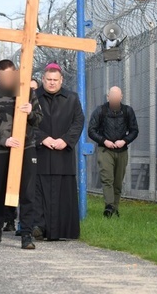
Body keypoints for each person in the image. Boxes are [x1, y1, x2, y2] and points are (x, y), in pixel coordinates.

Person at [0, 59, 43, 249]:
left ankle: (26, 234)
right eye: (2, 77)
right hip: (2, 149)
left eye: (10, 76)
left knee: (27, 192)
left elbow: (39, 119)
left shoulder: (27, 91)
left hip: (26, 147)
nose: (6, 80)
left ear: (16, 73)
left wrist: (30, 111)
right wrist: (3, 139)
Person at [32, 63, 84, 241]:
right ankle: (40, 227)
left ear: (61, 80)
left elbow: (78, 122)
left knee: (62, 195)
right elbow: (26, 123)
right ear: (43, 80)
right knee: (39, 193)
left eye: (55, 80)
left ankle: (63, 231)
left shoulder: (72, 98)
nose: (52, 83)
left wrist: (65, 140)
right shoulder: (33, 97)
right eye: (48, 80)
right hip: (41, 154)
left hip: (63, 154)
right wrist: (42, 138)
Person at [88, 86, 139, 218]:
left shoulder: (128, 111)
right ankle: (109, 206)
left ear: (121, 97)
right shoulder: (100, 111)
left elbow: (134, 130)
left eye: (117, 96)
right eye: (112, 96)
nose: (115, 98)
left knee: (118, 181)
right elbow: (91, 130)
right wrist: (104, 140)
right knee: (107, 178)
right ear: (108, 97)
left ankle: (115, 208)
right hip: (105, 149)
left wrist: (125, 141)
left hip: (122, 150)